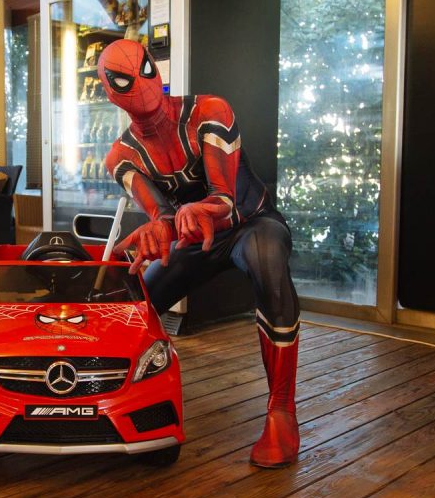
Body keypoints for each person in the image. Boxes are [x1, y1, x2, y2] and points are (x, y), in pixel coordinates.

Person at [97, 39, 301, 467]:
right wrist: (159, 228)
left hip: (250, 222)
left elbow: (224, 199)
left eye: (144, 72)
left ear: (155, 70)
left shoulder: (209, 111)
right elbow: (162, 214)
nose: (142, 88)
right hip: (194, 239)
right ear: (110, 91)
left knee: (268, 261)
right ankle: (108, 398)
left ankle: (282, 409)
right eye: (125, 81)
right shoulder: (121, 156)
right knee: (136, 304)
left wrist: (180, 218)